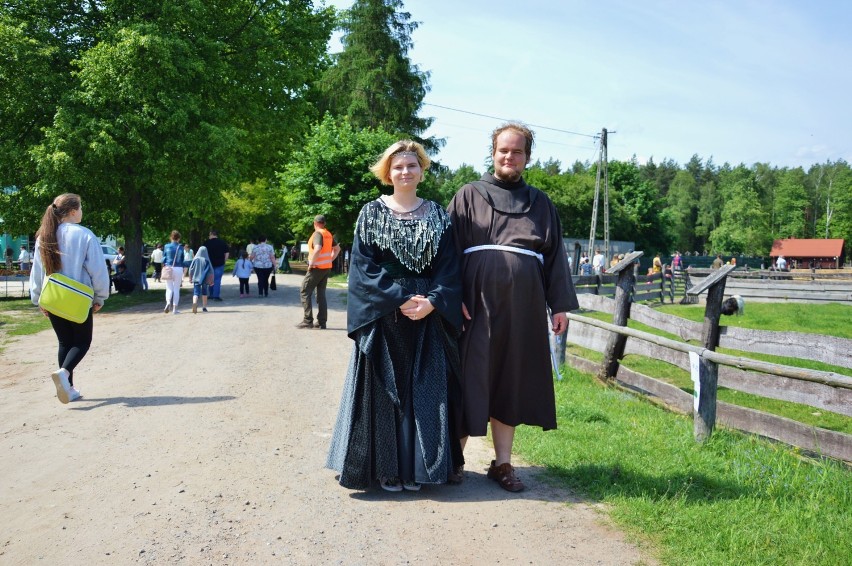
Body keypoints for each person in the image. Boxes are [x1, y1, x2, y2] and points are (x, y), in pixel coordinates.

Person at [447, 122, 579, 493]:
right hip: (475, 304)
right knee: (471, 375)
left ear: (527, 157)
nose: (509, 156)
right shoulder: (468, 195)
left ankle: (502, 464)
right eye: (503, 150)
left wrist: (560, 306)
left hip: (524, 307)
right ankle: (454, 462)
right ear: (493, 153)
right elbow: (447, 252)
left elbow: (555, 259)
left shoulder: (541, 204)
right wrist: (451, 296)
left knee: (511, 378)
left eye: (517, 151)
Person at [326, 140, 463, 492]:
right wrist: (399, 298)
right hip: (385, 312)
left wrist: (433, 301)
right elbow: (363, 267)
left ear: (421, 170)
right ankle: (385, 468)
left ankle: (419, 469)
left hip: (427, 313)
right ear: (388, 172)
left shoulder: (437, 215)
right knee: (386, 389)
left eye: (412, 166)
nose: (405, 171)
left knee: (425, 390)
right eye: (398, 166)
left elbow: (449, 267)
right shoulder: (371, 213)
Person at [29, 193, 110, 404]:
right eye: (81, 207)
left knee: (65, 342)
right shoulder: (84, 235)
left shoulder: (44, 236)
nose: (82, 211)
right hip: (78, 299)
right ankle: (65, 373)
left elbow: (37, 271)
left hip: (53, 298)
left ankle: (68, 389)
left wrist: (38, 299)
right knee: (83, 341)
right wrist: (100, 296)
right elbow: (97, 270)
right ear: (73, 211)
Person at [296, 215, 340, 329]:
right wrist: (330, 259)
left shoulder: (317, 234)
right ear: (324, 223)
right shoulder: (328, 234)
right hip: (326, 268)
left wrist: (311, 263)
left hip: (316, 267)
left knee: (304, 290)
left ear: (314, 223)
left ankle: (307, 320)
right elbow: (337, 249)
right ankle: (321, 322)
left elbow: (318, 248)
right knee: (321, 294)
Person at [162, 230, 186, 314]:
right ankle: (175, 309)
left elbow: (164, 258)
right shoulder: (181, 247)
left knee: (169, 288)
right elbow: (182, 259)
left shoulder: (166, 246)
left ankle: (168, 302)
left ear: (171, 237)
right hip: (178, 268)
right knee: (176, 288)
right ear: (178, 238)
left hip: (168, 268)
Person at [203, 230, 229, 301]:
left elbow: (203, 254)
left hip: (209, 264)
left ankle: (211, 294)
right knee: (217, 280)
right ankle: (216, 296)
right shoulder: (222, 242)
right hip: (220, 263)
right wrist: (224, 260)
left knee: (210, 279)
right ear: (216, 235)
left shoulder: (206, 243)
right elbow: (226, 253)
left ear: (211, 235)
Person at [188, 245, 213, 313]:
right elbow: (211, 271)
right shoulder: (207, 260)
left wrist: (190, 278)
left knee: (196, 293)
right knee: (204, 293)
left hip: (196, 278)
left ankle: (194, 303)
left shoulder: (195, 259)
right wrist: (211, 280)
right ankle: (204, 307)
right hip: (204, 279)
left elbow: (190, 269)